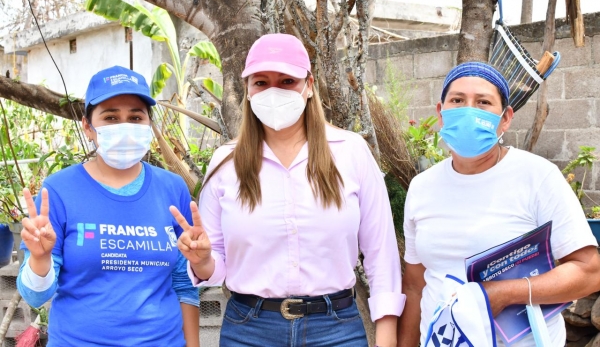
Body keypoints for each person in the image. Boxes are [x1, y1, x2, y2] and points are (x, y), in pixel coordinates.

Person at [170, 33, 404, 347]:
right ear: (248, 91)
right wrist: (201, 260)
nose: (273, 91)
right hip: (248, 330)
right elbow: (217, 264)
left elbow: (382, 256)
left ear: (308, 86)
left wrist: (386, 340)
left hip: (335, 330)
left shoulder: (351, 152)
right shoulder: (226, 163)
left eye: (286, 81)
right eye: (261, 82)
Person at [397, 61, 600, 347]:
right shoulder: (422, 187)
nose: (469, 110)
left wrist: (504, 293)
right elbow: (416, 285)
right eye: (457, 100)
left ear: (505, 118)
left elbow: (589, 272)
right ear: (441, 113)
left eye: (483, 102)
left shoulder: (537, 177)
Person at [16, 66, 200, 347]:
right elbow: (35, 296)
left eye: (135, 117)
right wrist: (40, 260)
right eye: (111, 117)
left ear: (149, 125)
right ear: (88, 127)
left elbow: (184, 283)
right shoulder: (58, 191)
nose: (124, 127)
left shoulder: (172, 188)